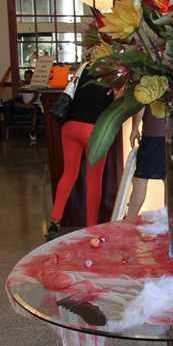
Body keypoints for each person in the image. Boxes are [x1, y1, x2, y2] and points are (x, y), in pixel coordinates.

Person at [46, 62, 114, 239]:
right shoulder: (115, 73)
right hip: (93, 131)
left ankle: (55, 222)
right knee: (94, 181)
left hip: (69, 127)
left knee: (68, 174)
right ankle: (91, 228)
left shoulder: (84, 67)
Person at [126, 107, 167, 221]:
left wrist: (135, 128)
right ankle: (169, 224)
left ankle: (129, 221)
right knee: (170, 181)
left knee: (140, 180)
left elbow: (141, 105)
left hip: (152, 135)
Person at [13, 69, 42, 144]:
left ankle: (32, 132)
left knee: (35, 110)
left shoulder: (36, 86)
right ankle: (26, 107)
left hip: (35, 105)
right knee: (15, 103)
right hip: (25, 106)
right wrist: (19, 88)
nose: (28, 79)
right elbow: (17, 98)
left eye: (30, 77)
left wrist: (29, 104)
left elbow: (35, 96)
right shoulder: (22, 87)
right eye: (26, 77)